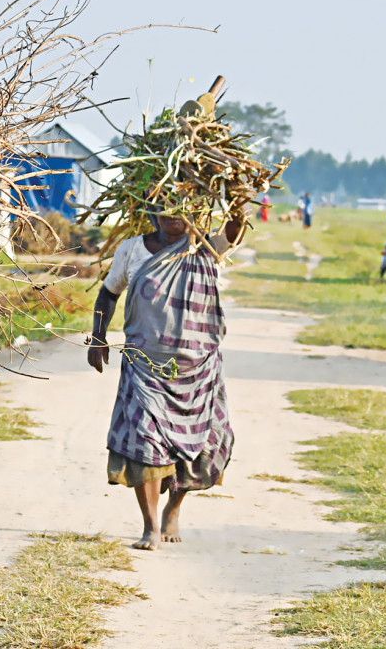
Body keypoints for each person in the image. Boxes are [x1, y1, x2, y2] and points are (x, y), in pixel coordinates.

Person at [87, 211, 242, 551]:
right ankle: (151, 525)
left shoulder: (202, 246)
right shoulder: (132, 250)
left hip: (197, 368)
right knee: (144, 444)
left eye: (180, 209)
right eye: (165, 210)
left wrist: (239, 209)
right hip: (145, 366)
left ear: (194, 210)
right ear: (152, 213)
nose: (173, 217)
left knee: (203, 445)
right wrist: (98, 337)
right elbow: (108, 294)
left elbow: (232, 235)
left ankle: (174, 507)